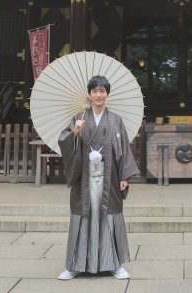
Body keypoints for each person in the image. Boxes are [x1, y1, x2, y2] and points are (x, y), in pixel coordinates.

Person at [57, 75, 139, 280]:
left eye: (102, 91)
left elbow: (124, 149)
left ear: (107, 94)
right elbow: (64, 140)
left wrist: (124, 176)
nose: (99, 95)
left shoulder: (116, 120)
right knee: (84, 216)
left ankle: (114, 264)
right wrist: (75, 133)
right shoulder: (79, 117)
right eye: (95, 91)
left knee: (108, 217)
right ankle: (75, 265)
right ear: (90, 94)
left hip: (109, 177)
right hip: (85, 177)